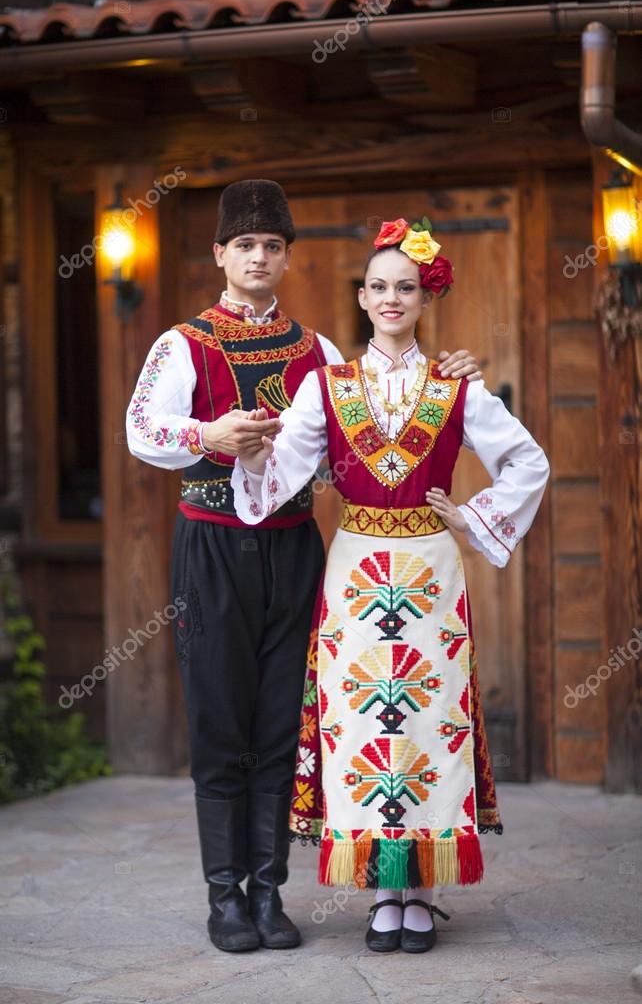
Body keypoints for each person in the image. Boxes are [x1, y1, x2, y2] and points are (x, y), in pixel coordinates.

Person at [125, 184, 482, 954]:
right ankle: (227, 897)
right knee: (222, 718)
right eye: (245, 244)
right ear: (220, 254)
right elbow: (141, 429)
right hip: (213, 544)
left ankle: (271, 892)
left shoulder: (317, 351)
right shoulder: (180, 344)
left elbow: (369, 425)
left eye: (273, 244)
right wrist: (208, 432)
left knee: (287, 717)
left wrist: (451, 374)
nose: (259, 256)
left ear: (287, 257)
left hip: (295, 550)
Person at [231, 214, 550, 954]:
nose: (391, 298)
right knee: (368, 725)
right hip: (356, 569)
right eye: (378, 286)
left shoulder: (456, 386)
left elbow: (528, 462)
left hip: (432, 569)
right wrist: (250, 456)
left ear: (423, 297)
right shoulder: (327, 386)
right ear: (362, 297)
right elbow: (282, 473)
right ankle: (384, 894)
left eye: (404, 287)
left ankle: (423, 891)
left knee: (428, 724)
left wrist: (471, 517)